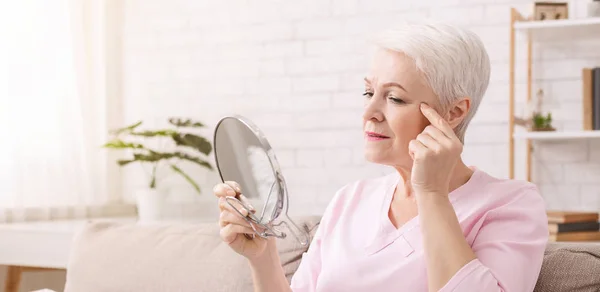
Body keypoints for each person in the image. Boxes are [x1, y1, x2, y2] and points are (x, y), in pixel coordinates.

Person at [213, 22, 548, 292]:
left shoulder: (510, 205)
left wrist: (431, 193)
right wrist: (263, 258)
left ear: (453, 112)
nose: (369, 112)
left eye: (395, 99)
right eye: (369, 92)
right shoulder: (351, 199)